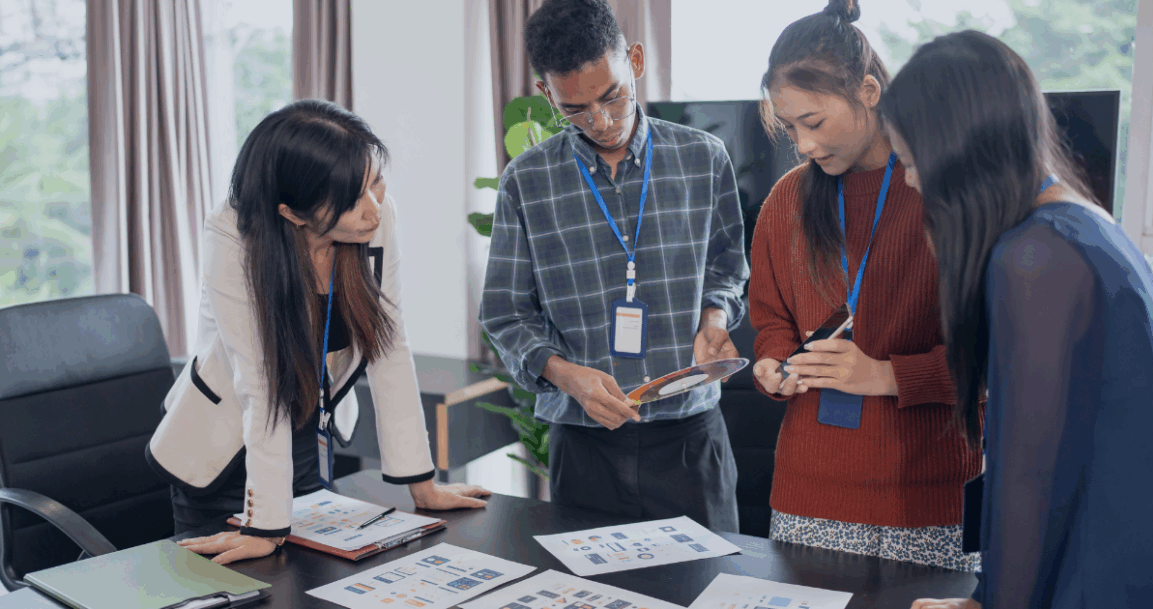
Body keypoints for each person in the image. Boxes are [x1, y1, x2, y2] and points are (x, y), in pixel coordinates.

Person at [879, 30, 1153, 609]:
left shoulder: (1035, 259)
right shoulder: (1085, 223)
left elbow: (1030, 482)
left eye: (911, 162)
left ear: (956, 153)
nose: (910, 182)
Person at [146, 99, 490, 565]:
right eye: (353, 199)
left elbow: (389, 345)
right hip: (223, 448)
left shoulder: (375, 218)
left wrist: (421, 483)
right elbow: (260, 382)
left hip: (308, 432)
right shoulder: (232, 234)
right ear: (292, 212)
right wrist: (264, 524)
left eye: (375, 183)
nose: (374, 208)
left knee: (312, 579)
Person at [479, 0, 749, 532]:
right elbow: (506, 313)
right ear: (547, 95)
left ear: (637, 61)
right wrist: (561, 373)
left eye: (613, 96)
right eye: (575, 109)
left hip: (691, 436)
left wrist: (714, 319)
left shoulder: (705, 158)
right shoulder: (526, 180)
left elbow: (727, 269)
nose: (601, 121)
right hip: (585, 447)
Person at [748, 0, 982, 571]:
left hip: (929, 498)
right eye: (791, 126)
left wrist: (884, 375)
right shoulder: (785, 200)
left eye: (814, 122)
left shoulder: (947, 194)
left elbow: (994, 357)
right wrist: (773, 362)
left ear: (870, 92)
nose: (802, 144)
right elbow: (770, 316)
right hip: (809, 493)